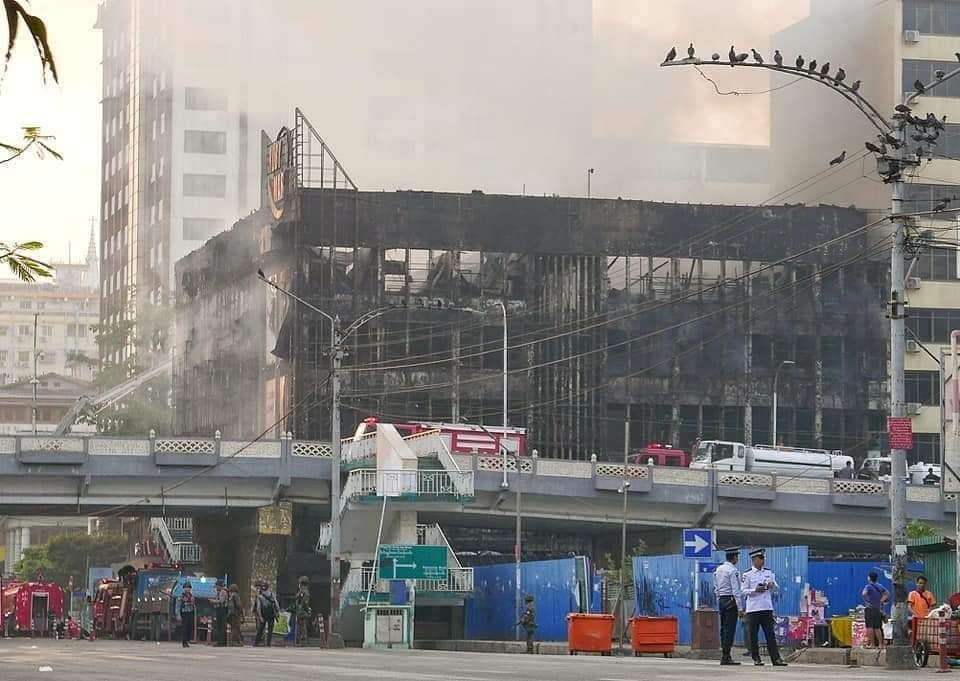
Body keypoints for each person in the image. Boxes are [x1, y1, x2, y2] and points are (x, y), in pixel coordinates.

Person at [742, 548, 787, 667]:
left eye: (763, 558)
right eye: (760, 559)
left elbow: (776, 587)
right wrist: (754, 590)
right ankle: (756, 658)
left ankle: (775, 659)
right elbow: (743, 590)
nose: (762, 561)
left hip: (767, 607)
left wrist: (772, 585)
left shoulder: (768, 572)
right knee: (753, 634)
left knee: (770, 634)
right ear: (754, 560)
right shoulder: (747, 574)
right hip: (753, 608)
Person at [714, 546, 742, 666]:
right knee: (729, 629)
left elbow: (715, 588)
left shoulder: (718, 569)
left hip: (722, 600)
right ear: (734, 557)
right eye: (737, 556)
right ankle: (726, 655)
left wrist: (719, 598)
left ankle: (724, 654)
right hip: (731, 600)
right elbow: (736, 590)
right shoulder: (733, 571)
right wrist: (740, 607)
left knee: (723, 628)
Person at [861, 571, 888, 649]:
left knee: (870, 626)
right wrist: (881, 600)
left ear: (869, 578)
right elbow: (887, 594)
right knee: (877, 627)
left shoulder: (868, 586)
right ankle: (880, 644)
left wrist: (868, 601)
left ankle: (872, 644)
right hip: (878, 609)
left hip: (870, 609)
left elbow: (864, 593)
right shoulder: (880, 586)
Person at [253, 580, 280, 647]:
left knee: (260, 629)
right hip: (271, 614)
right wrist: (278, 612)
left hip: (264, 615)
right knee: (270, 630)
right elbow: (276, 604)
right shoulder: (271, 594)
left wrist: (260, 616)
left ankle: (256, 643)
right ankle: (268, 644)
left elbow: (258, 608)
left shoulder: (260, 596)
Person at [293, 576, 311, 647]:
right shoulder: (305, 592)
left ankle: (301, 642)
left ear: (301, 583)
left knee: (301, 627)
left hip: (301, 611)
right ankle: (301, 642)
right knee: (302, 626)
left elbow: (303, 602)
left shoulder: (302, 592)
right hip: (302, 611)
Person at [178, 581, 196, 648]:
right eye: (186, 588)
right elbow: (179, 604)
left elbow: (193, 603)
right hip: (184, 612)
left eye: (188, 588)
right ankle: (184, 641)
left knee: (189, 627)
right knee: (184, 627)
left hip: (190, 612)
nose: (187, 589)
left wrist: (191, 601)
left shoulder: (191, 595)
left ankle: (188, 640)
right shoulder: (182, 595)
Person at [212, 580, 228, 647]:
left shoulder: (223, 592)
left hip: (222, 610)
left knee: (221, 626)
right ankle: (219, 641)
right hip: (218, 609)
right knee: (219, 626)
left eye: (217, 586)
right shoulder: (218, 592)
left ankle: (221, 642)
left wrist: (213, 601)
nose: (216, 587)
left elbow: (221, 600)